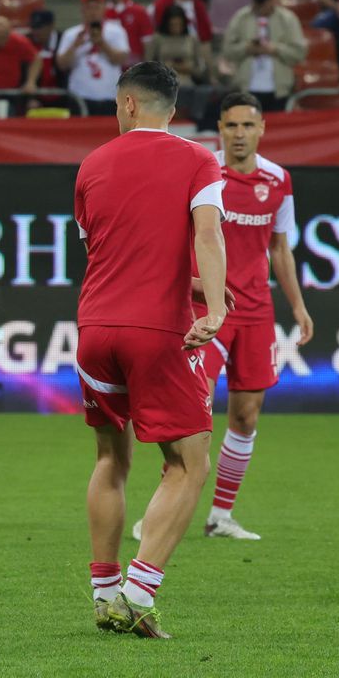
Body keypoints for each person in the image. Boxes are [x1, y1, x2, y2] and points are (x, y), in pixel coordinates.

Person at [76, 61, 229, 638]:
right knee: (188, 462)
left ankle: (104, 594)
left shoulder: (92, 164)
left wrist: (187, 285)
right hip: (158, 332)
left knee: (110, 459)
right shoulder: (198, 159)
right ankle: (139, 592)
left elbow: (107, 255)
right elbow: (208, 232)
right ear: (173, 109)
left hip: (95, 328)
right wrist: (213, 308)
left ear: (129, 103)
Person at [131, 91, 313, 545]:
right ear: (220, 129)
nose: (239, 134)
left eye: (247, 125)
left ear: (262, 128)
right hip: (205, 311)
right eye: (231, 125)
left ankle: (220, 516)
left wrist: (298, 306)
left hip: (256, 312)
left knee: (246, 416)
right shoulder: (201, 169)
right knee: (191, 416)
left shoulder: (279, 180)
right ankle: (159, 514)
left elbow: (280, 248)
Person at [222, 0, 306, 112]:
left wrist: (275, 49)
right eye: (257, 5)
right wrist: (247, 48)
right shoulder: (240, 18)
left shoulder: (288, 19)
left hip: (279, 89)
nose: (260, 9)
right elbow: (227, 51)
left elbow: (299, 53)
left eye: (264, 5)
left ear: (272, 0)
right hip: (247, 88)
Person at [56, 0, 131, 115]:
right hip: (80, 98)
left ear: (104, 8)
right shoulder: (71, 34)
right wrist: (75, 45)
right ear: (82, 9)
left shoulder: (116, 31)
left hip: (110, 97)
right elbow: (61, 64)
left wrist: (102, 44)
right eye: (89, 7)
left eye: (96, 7)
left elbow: (122, 59)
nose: (93, 12)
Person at [145, 4, 211, 121]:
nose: (176, 28)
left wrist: (188, 68)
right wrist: (166, 67)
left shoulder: (191, 39)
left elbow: (201, 69)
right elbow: (147, 66)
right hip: (163, 84)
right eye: (173, 25)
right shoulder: (157, 39)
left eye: (179, 24)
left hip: (188, 82)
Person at [103, 0, 153, 64]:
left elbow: (148, 45)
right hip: (108, 67)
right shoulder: (102, 13)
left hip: (133, 68)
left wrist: (145, 69)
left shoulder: (140, 12)